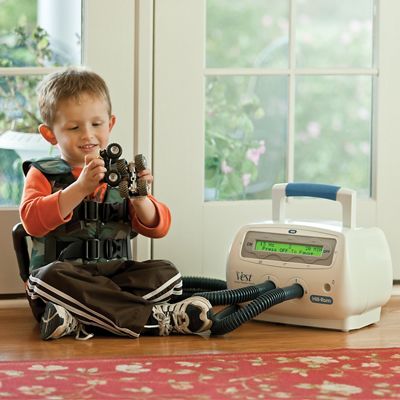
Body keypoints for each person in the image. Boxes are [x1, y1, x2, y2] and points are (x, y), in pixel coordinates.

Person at [19, 67, 213, 340]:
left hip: (113, 277)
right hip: (66, 280)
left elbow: (159, 227)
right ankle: (154, 320)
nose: (87, 135)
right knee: (43, 279)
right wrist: (79, 188)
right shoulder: (43, 173)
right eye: (74, 127)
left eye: (96, 125)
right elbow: (32, 221)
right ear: (50, 134)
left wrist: (140, 199)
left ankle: (78, 320)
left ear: (110, 124)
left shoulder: (121, 173)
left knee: (168, 274)